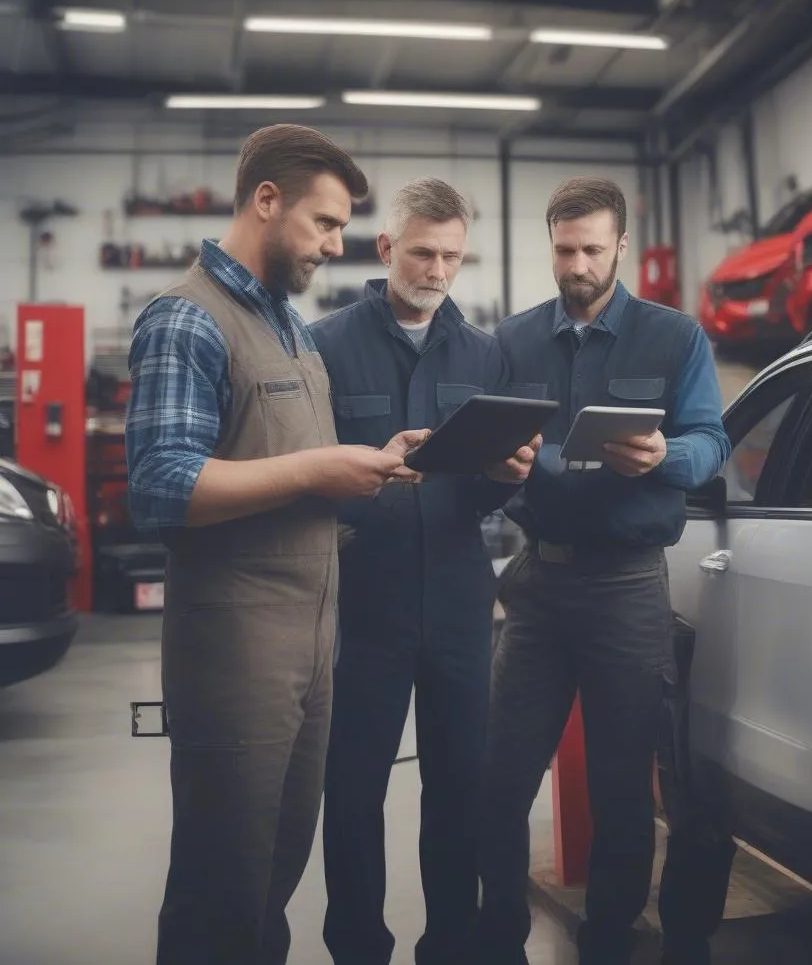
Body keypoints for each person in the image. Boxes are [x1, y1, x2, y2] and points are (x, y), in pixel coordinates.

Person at [125, 124, 427, 965]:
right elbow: (160, 486)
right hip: (234, 651)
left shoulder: (291, 328)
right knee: (221, 888)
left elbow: (293, 462)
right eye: (324, 223)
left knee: (273, 879)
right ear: (267, 201)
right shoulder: (188, 320)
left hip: (311, 646)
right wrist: (314, 470)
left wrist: (375, 461)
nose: (337, 245)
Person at [475, 177, 732, 965]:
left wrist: (667, 455)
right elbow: (487, 448)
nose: (577, 264)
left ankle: (609, 941)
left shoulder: (674, 337)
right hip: (538, 585)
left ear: (622, 245)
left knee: (623, 791)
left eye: (592, 248)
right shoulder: (510, 343)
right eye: (563, 249)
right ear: (548, 242)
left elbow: (712, 440)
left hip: (627, 587)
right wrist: (496, 462)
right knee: (498, 780)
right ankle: (499, 940)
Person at [310, 178, 538, 965]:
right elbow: (303, 470)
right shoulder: (325, 345)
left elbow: (482, 481)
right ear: (385, 249)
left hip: (457, 598)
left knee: (458, 789)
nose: (438, 270)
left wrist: (508, 475)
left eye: (451, 256)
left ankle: (451, 946)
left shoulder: (485, 352)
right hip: (359, 598)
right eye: (422, 252)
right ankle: (358, 949)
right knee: (353, 789)